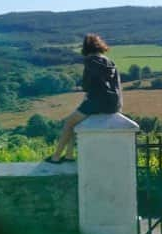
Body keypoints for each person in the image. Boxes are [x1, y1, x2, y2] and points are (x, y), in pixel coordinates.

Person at [46, 33, 122, 163]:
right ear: (100, 47)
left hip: (96, 101)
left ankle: (56, 157)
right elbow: (117, 85)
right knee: (74, 122)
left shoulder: (90, 61)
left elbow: (86, 86)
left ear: (86, 49)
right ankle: (69, 155)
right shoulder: (110, 62)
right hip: (113, 104)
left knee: (69, 122)